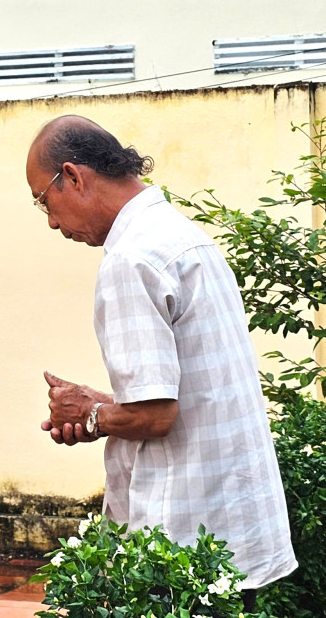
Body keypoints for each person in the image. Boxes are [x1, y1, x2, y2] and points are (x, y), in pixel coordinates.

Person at [25, 114, 296, 606]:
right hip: (234, 532)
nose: (51, 222)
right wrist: (100, 403)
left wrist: (90, 415)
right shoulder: (183, 236)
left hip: (184, 543)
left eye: (44, 200)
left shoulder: (131, 259)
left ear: (73, 176)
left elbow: (155, 416)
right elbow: (185, 392)